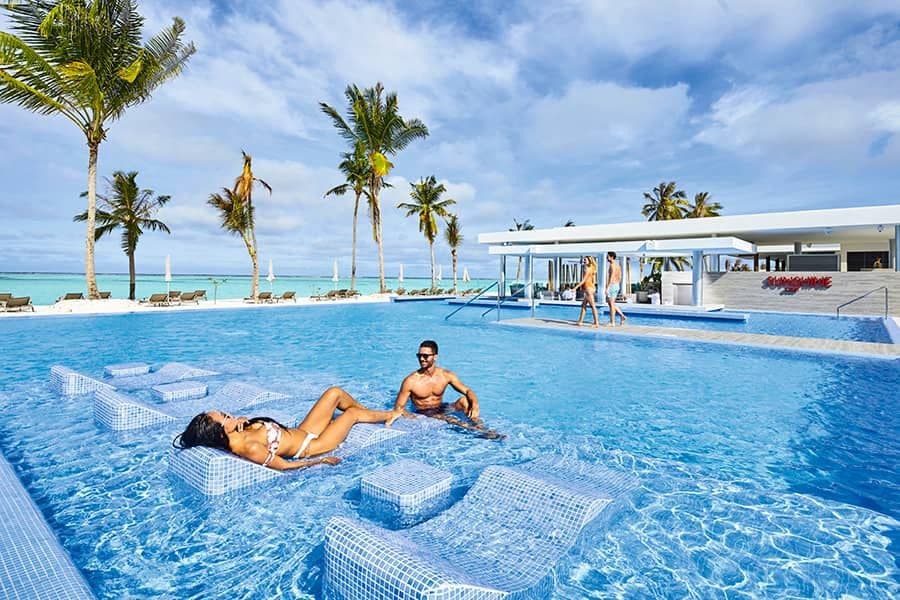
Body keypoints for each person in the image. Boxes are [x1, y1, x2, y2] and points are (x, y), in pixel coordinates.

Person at [173, 386, 401, 471]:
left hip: (303, 430)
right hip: (313, 446)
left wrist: (244, 420)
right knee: (351, 414)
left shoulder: (238, 430)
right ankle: (392, 415)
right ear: (219, 432)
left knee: (335, 393)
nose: (229, 414)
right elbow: (283, 466)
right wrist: (320, 461)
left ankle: (373, 414)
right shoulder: (249, 447)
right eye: (225, 416)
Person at [394, 340, 500, 437]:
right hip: (425, 412)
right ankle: (478, 433)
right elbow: (398, 408)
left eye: (425, 356)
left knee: (466, 401)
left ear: (435, 357)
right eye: (419, 355)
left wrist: (475, 405)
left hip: (441, 407)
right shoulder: (411, 381)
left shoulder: (445, 375)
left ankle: (480, 426)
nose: (421, 359)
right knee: (450, 419)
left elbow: (467, 391)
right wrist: (414, 418)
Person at [575, 256, 600, 327]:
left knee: (593, 306)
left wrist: (575, 288)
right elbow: (593, 281)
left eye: (585, 260)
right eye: (584, 260)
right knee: (583, 305)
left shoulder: (587, 269)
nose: (584, 261)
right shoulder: (592, 268)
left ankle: (596, 323)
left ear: (589, 261)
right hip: (590, 288)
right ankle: (580, 321)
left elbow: (583, 280)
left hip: (588, 289)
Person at [605, 251, 627, 326]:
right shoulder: (618, 265)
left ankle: (612, 322)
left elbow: (611, 277)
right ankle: (622, 316)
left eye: (607, 256)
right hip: (616, 285)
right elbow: (620, 277)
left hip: (612, 285)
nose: (606, 258)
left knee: (611, 304)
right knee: (612, 303)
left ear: (611, 257)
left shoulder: (612, 265)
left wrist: (607, 287)